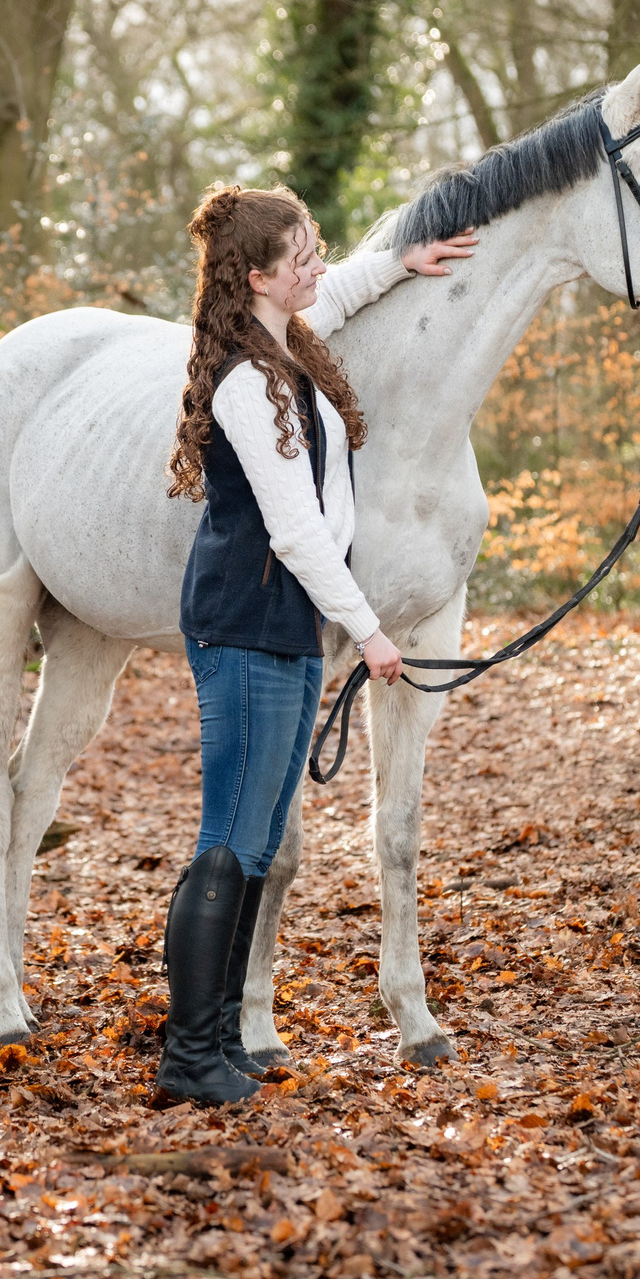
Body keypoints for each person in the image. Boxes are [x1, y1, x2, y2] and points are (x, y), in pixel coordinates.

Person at [157, 185, 477, 1105]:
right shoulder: (249, 383)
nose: (319, 267)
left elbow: (340, 296)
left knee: (258, 842)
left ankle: (225, 1041)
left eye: (318, 249)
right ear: (256, 276)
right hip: (247, 621)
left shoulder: (284, 337)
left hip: (285, 622)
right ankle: (189, 1055)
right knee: (229, 837)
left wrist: (403, 264)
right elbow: (295, 531)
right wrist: (372, 631)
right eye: (302, 257)